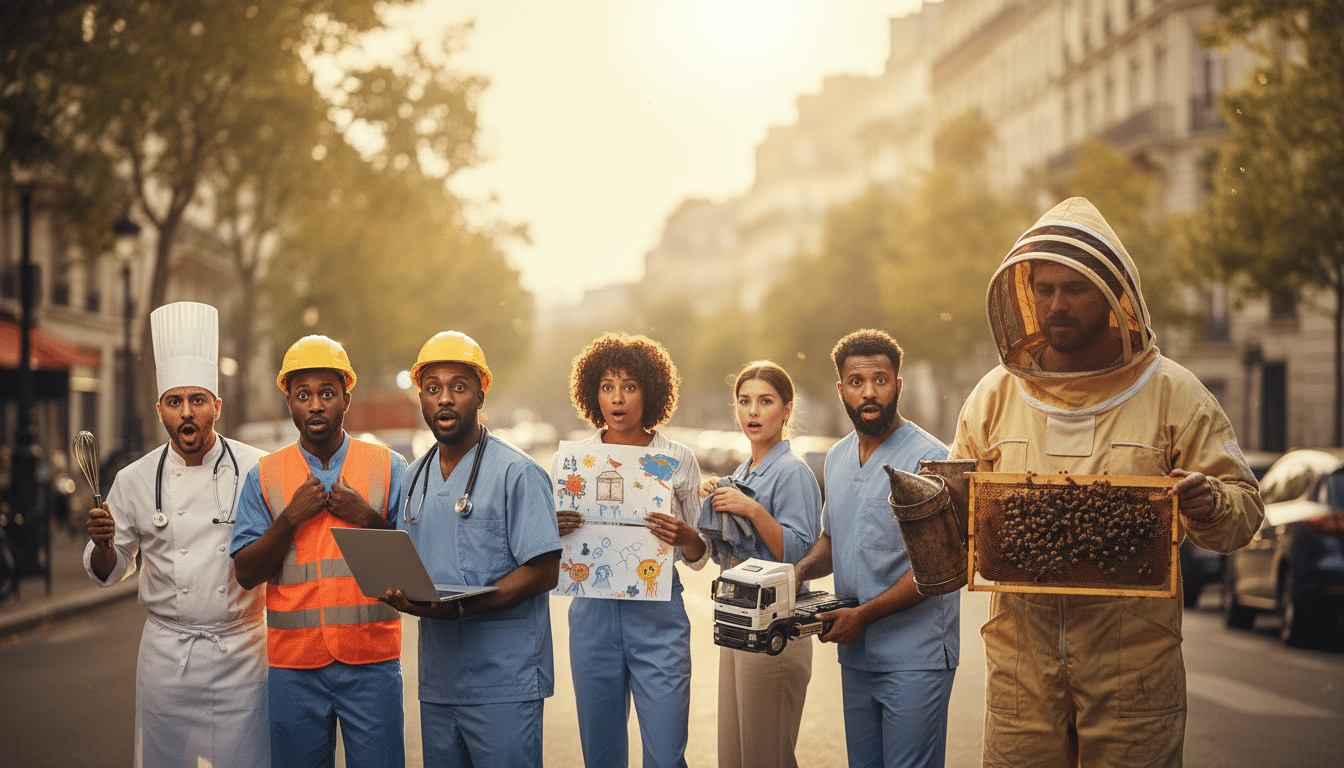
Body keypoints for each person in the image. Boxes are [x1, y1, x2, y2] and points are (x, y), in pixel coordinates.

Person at [949, 197, 1264, 767]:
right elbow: (957, 516)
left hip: (1133, 665)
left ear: (1112, 293)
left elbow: (1242, 514)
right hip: (1022, 658)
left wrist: (1207, 499)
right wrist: (938, 503)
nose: (1055, 305)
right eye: (1043, 289)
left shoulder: (1175, 392)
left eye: (1074, 289)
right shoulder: (994, 395)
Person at [84, 301, 270, 767]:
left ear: (217, 406)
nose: (186, 413)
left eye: (197, 400)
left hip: (244, 656)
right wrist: (105, 546)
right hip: (167, 659)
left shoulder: (257, 469)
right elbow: (110, 569)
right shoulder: (134, 479)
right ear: (161, 409)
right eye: (175, 402)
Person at [380, 331, 561, 767]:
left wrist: (462, 609)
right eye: (433, 388)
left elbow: (545, 570)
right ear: (420, 399)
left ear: (480, 394)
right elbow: (416, 562)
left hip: (505, 682)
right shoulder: (414, 478)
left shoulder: (517, 472)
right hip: (440, 683)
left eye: (458, 387)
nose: (445, 399)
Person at [230, 335, 408, 768]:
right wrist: (290, 518)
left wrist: (367, 517)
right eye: (303, 395)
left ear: (346, 399)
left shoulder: (388, 466)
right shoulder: (264, 475)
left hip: (372, 661)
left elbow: (416, 568)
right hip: (294, 666)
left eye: (327, 394)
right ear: (288, 401)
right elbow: (246, 573)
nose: (315, 405)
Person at [794, 329, 961, 768]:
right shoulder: (837, 457)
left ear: (898, 386)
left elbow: (939, 567)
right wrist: (798, 571)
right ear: (841, 390)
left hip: (916, 658)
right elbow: (835, 537)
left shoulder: (930, 461)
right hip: (857, 657)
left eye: (880, 380)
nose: (869, 392)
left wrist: (863, 616)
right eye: (856, 382)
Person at [556, 332, 712, 768]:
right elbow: (549, 552)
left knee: (666, 755)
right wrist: (552, 532)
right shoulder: (572, 462)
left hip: (659, 615)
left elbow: (701, 553)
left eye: (629, 386)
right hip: (592, 618)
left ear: (650, 391)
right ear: (593, 394)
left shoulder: (677, 458)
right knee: (601, 756)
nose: (617, 398)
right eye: (607, 386)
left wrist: (686, 538)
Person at [699, 360, 822, 768]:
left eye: (765, 401)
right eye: (745, 401)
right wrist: (717, 502)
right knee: (735, 755)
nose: (753, 411)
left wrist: (751, 509)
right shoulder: (742, 470)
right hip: (736, 622)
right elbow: (727, 551)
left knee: (766, 756)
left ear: (787, 409)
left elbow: (800, 555)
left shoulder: (792, 472)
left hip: (775, 628)